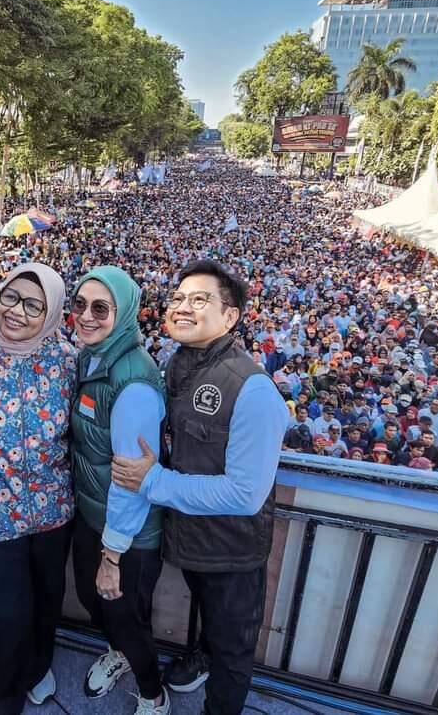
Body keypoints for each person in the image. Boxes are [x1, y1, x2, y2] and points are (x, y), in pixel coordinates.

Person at [111, 260, 287, 715]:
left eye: (199, 299)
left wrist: (154, 482)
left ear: (230, 317)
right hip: (186, 537)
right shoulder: (178, 365)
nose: (182, 307)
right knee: (211, 625)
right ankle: (201, 656)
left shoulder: (253, 389)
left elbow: (245, 494)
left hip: (230, 549)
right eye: (177, 298)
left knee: (233, 650)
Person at [0, 264, 77, 715]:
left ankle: (39, 668)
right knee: (2, 617)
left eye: (34, 305)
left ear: (53, 312)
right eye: (10, 297)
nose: (17, 312)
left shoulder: (66, 359)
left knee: (45, 603)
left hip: (52, 511)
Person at [67, 266, 170, 714]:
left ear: (125, 312)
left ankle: (153, 695)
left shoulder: (134, 382)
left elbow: (132, 479)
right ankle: (120, 654)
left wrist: (112, 556)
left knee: (124, 617)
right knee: (95, 601)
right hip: (94, 515)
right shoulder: (93, 356)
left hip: (127, 532)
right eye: (79, 305)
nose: (86, 316)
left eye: (100, 308)